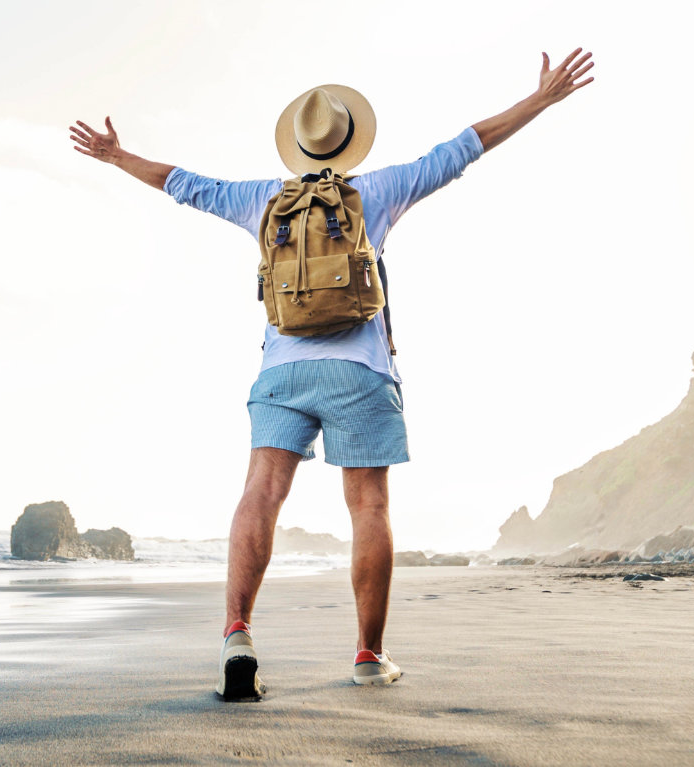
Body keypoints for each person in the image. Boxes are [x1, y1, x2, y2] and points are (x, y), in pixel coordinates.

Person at [70, 48, 595, 701]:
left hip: (282, 369)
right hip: (361, 369)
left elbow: (184, 182)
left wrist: (118, 156)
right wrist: (539, 100)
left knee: (260, 493)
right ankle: (369, 655)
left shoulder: (261, 200)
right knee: (368, 506)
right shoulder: (375, 191)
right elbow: (464, 146)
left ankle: (238, 632)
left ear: (297, 145)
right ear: (348, 143)